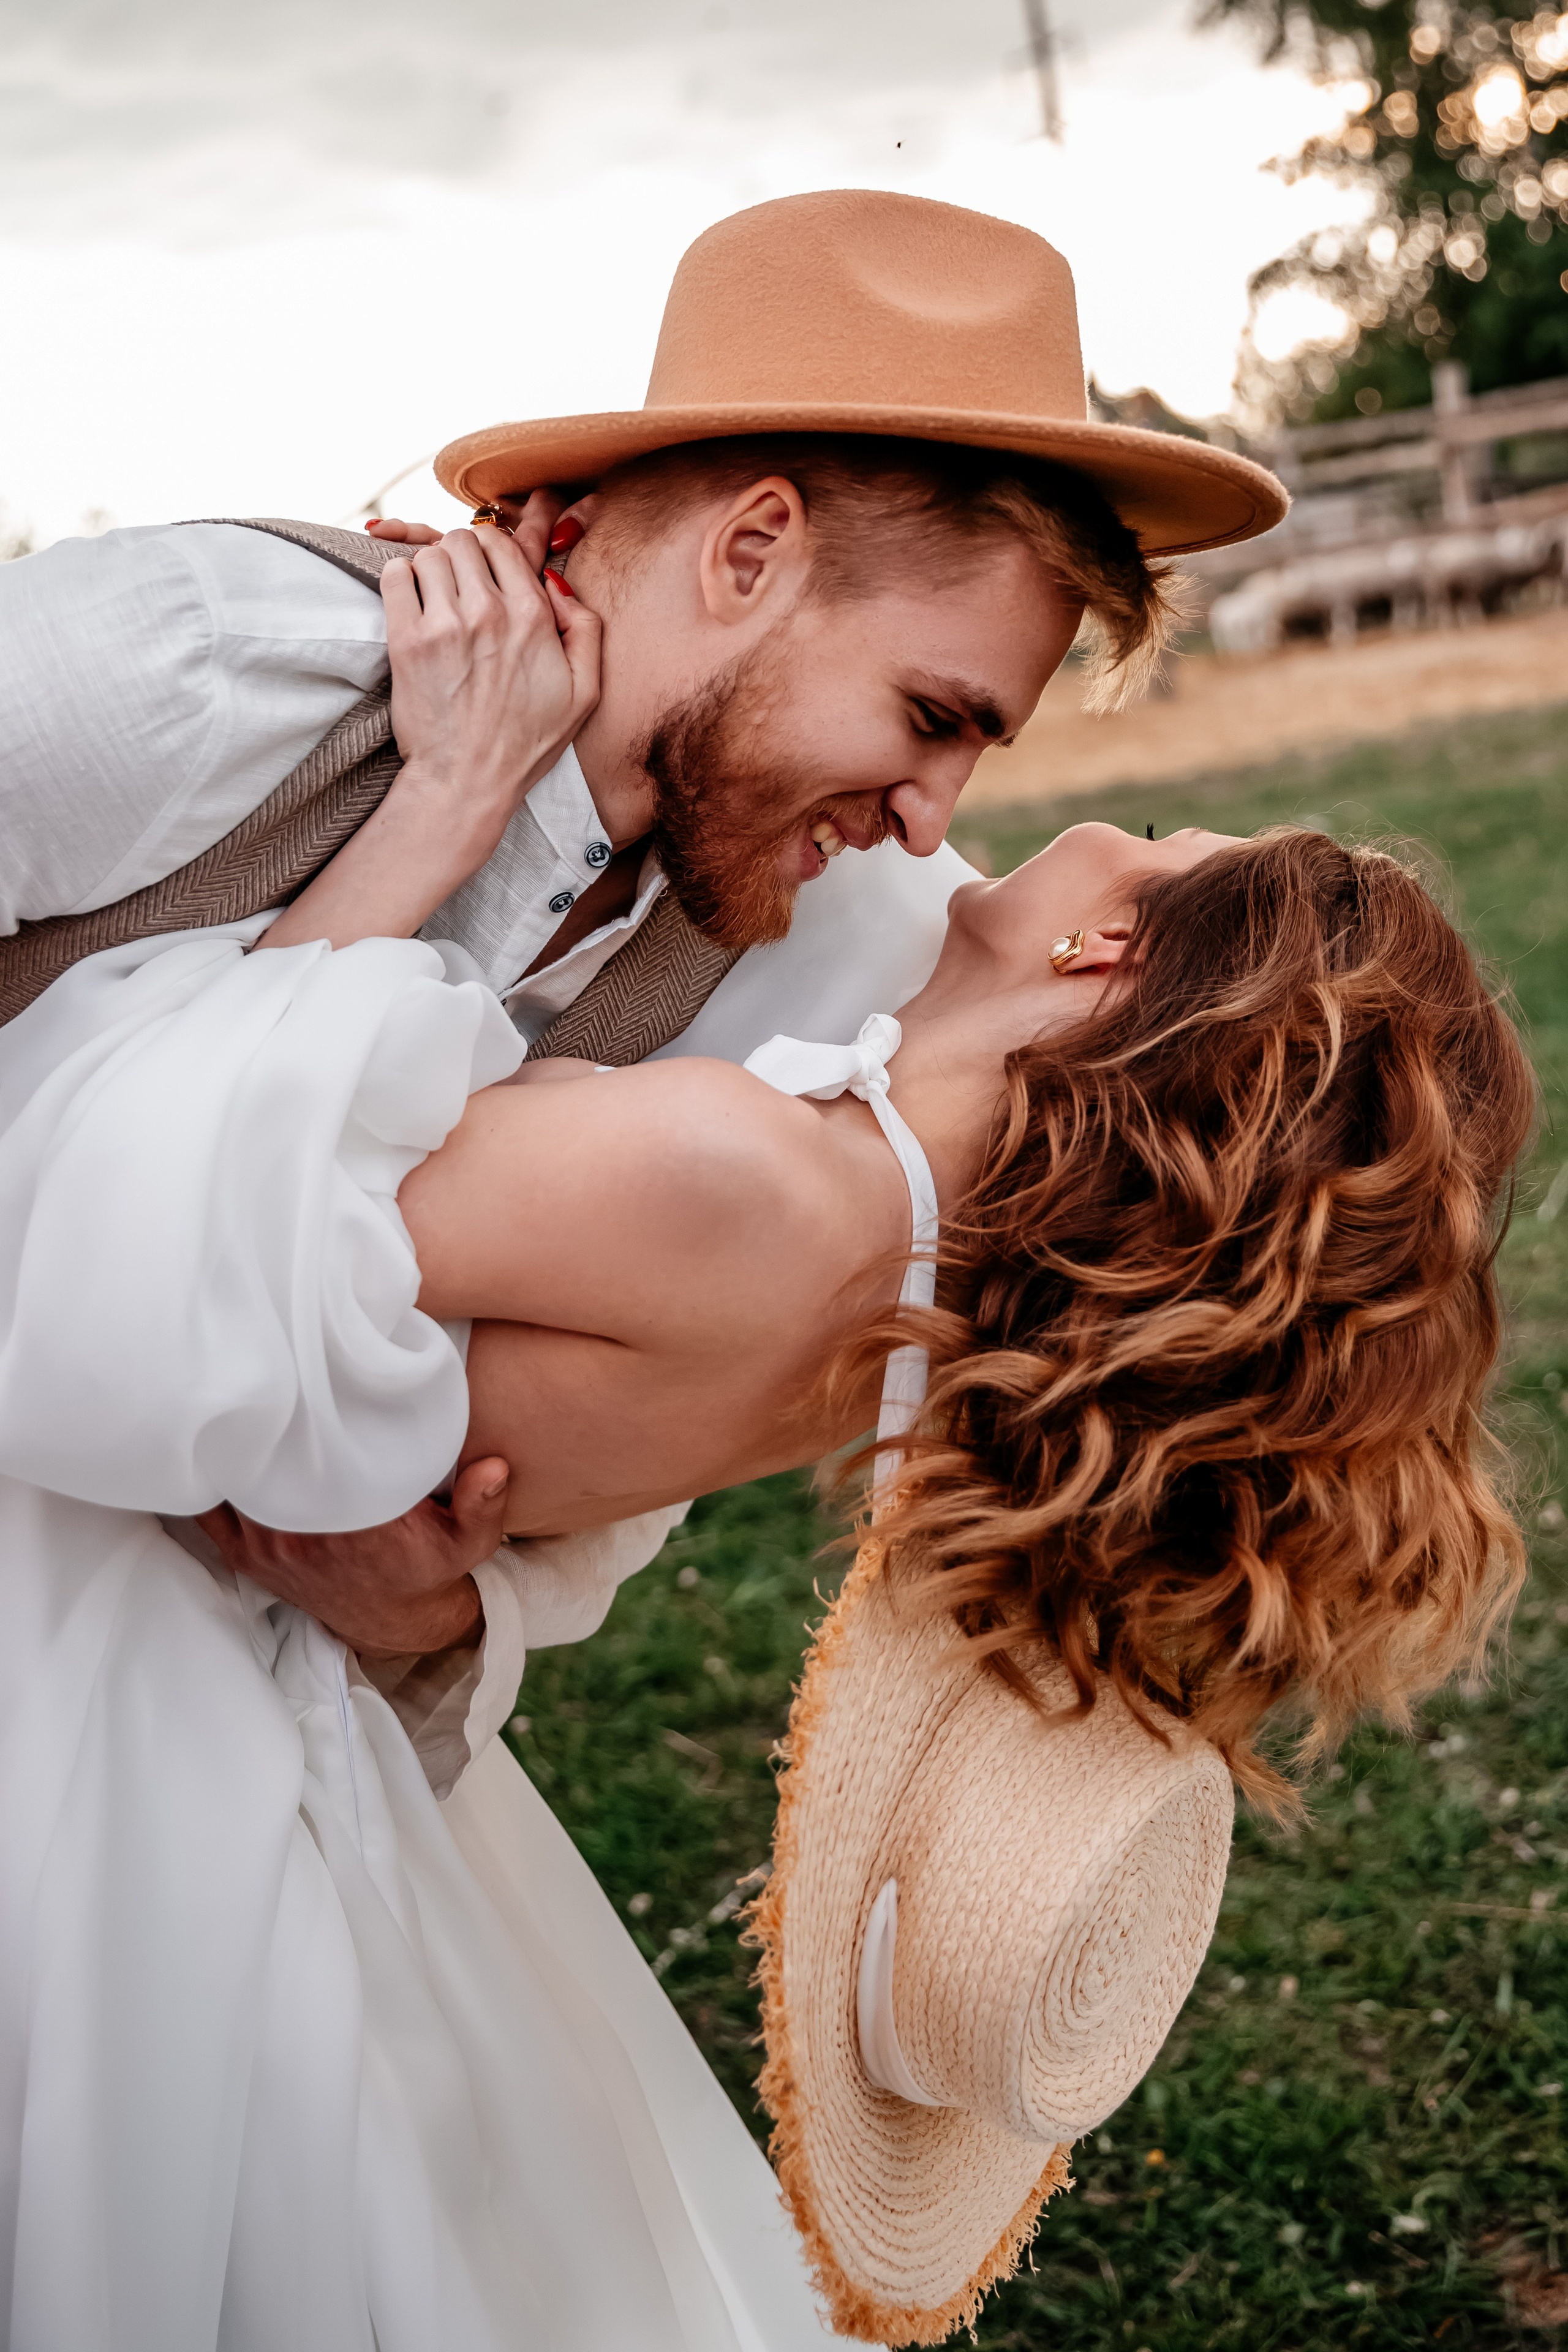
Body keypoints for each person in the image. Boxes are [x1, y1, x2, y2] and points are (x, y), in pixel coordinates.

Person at [0, 798, 1532, 2343]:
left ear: (1107, 945)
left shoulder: (735, 1175)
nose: (1059, 820)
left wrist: (444, 808)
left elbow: (107, 1207)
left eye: (1146, 831)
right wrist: (446, 1610)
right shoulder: (891, 1326)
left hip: (84, 1649)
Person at [0, 187, 1289, 1768]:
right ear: (750, 551)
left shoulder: (855, 922)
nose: (933, 817)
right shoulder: (201, 664)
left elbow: (750, 1353)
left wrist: (456, 1625)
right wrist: (442, 814)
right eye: (933, 716)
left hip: (179, 1724)